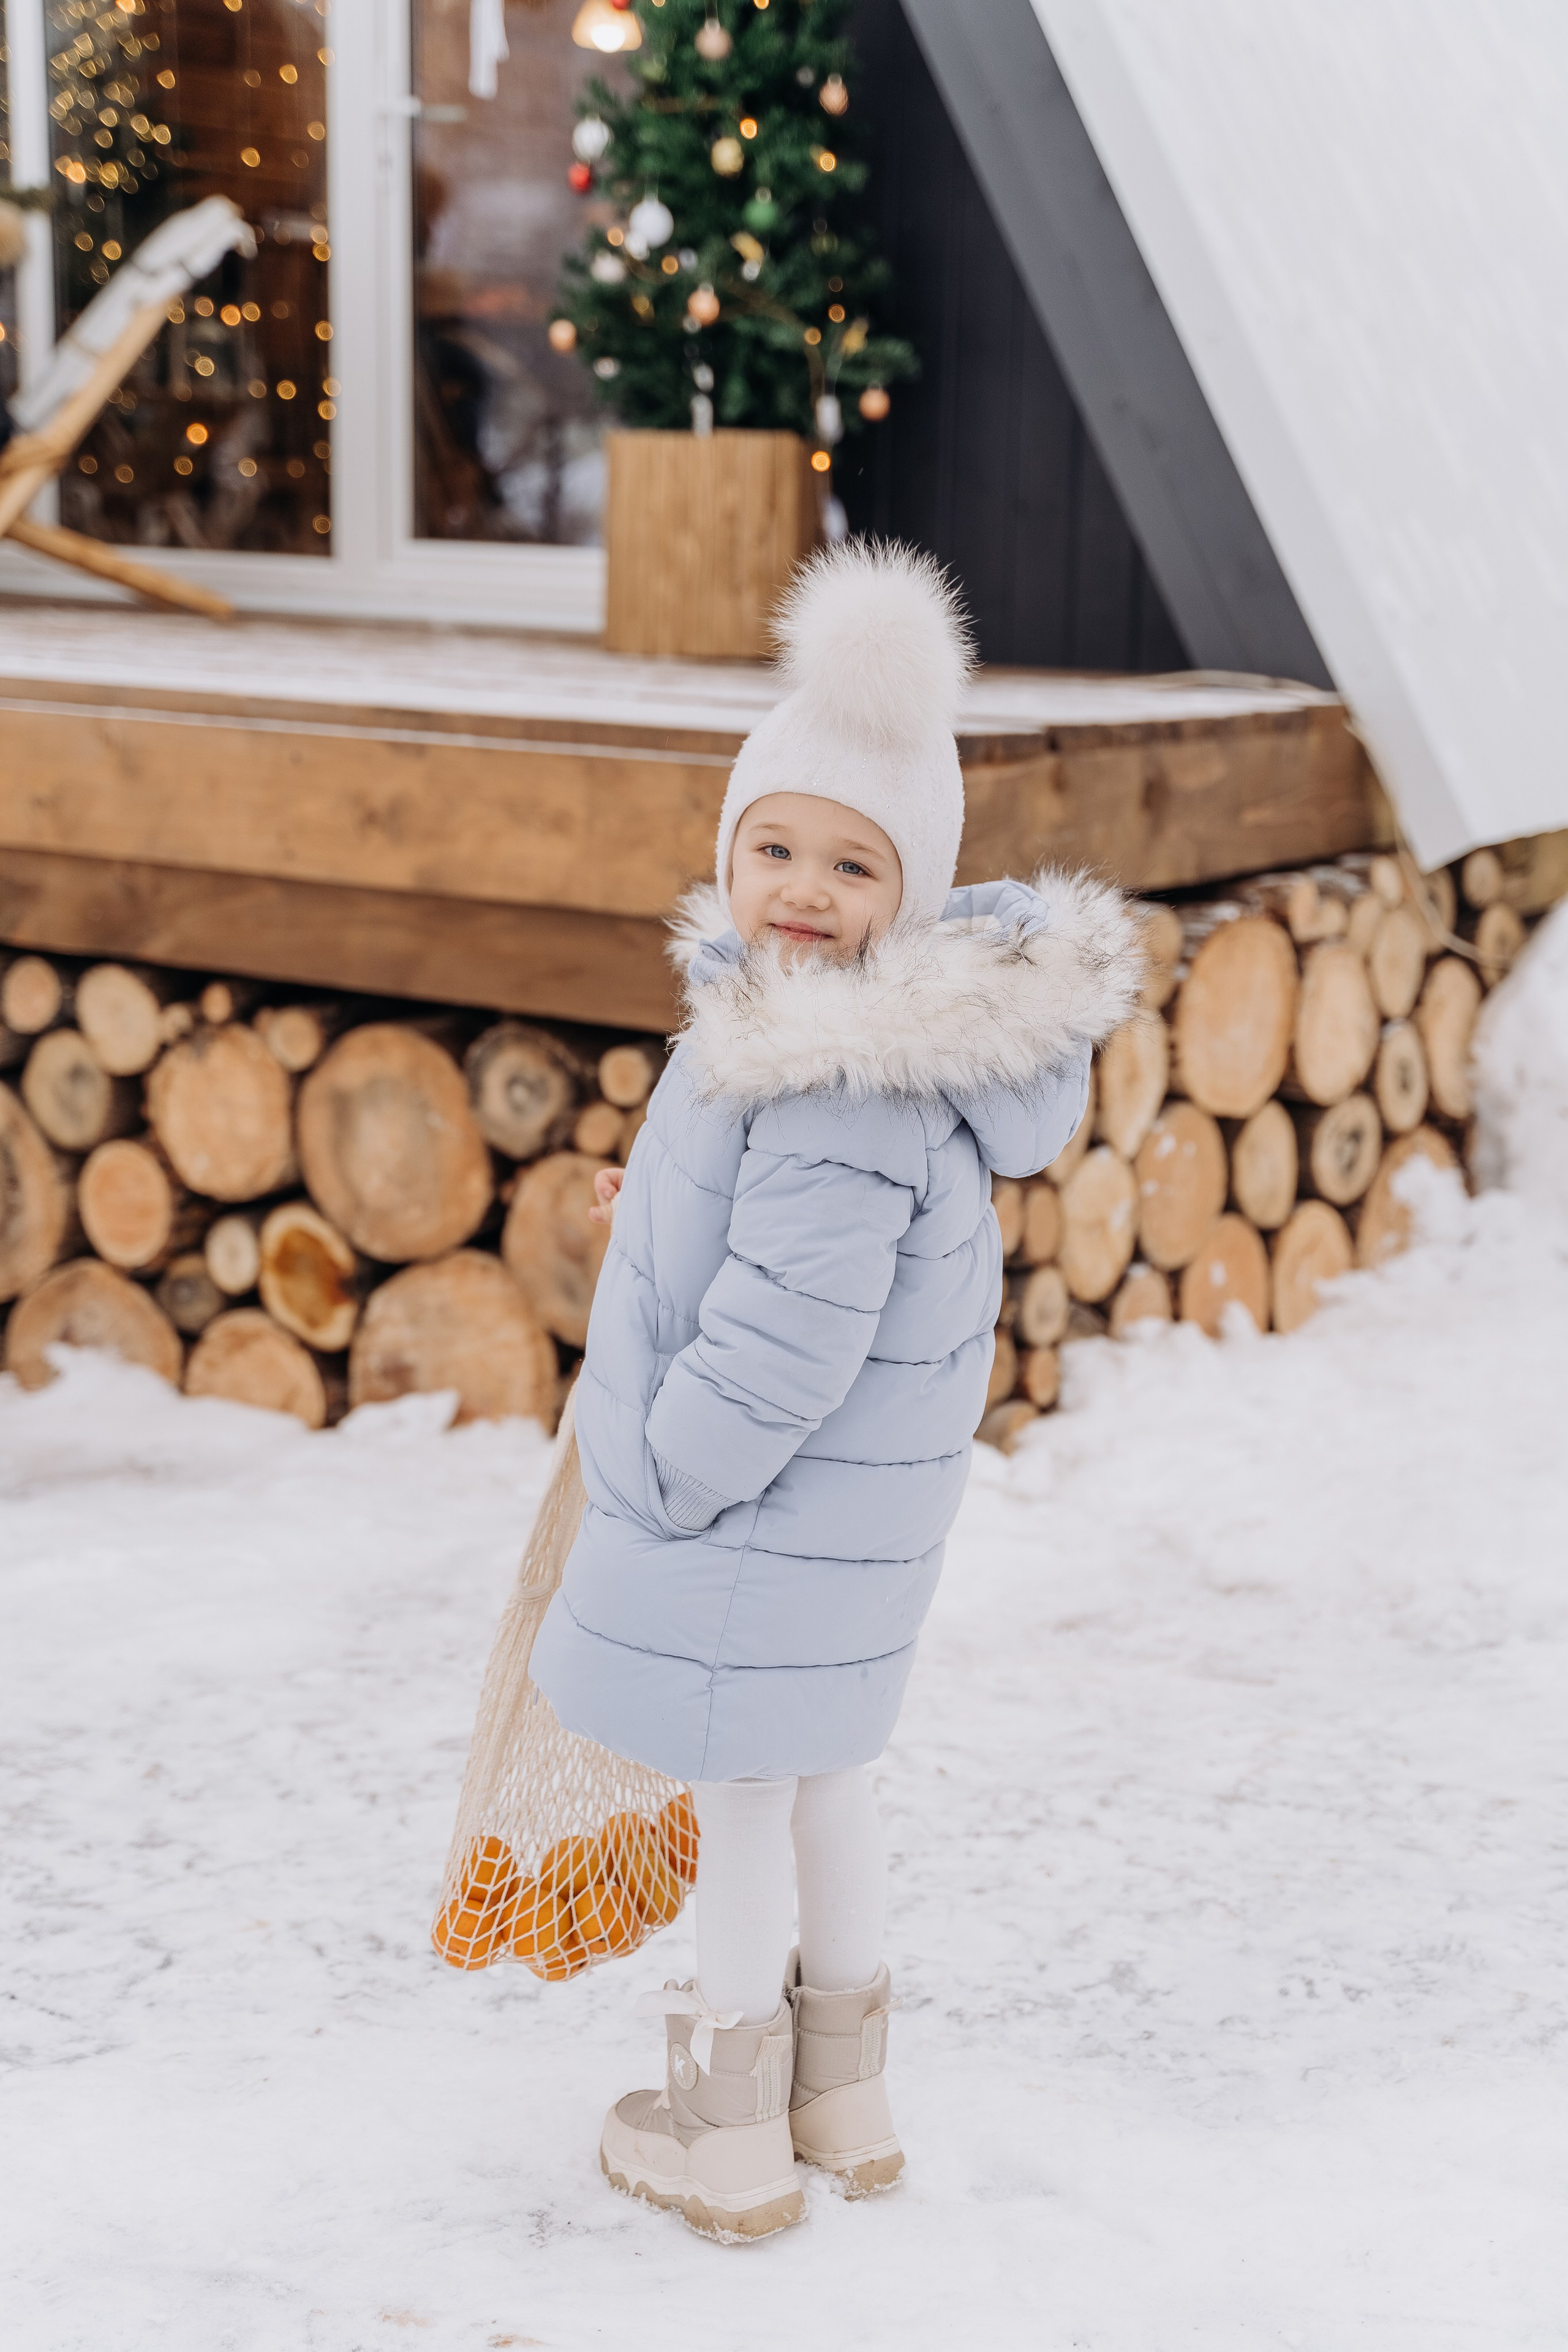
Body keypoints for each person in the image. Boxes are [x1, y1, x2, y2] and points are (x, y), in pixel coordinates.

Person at [529, 540, 1142, 2241]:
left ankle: (724, 2127)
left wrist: (671, 1470)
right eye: (774, 847)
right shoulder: (819, 1040)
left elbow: (791, 1332)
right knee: (826, 1779)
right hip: (832, 1538)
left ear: (917, 894)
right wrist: (655, 1208)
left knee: (743, 1799)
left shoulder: (834, 1077)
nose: (803, 889)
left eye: (855, 863)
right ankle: (845, 2096)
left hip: (754, 1516)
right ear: (728, 853)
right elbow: (776, 1239)